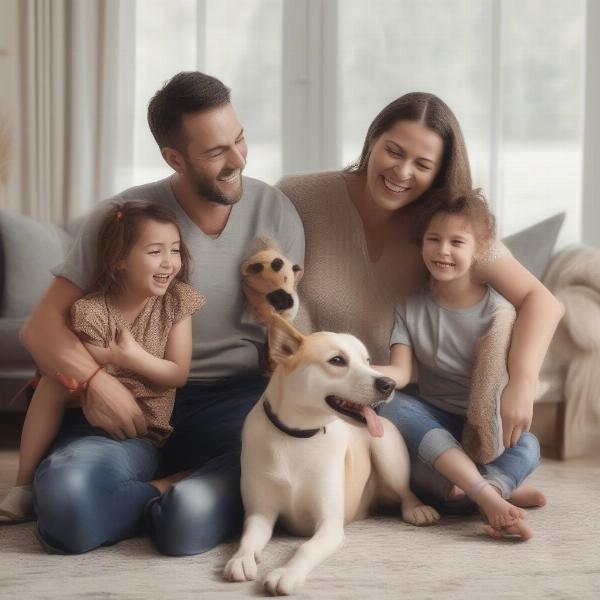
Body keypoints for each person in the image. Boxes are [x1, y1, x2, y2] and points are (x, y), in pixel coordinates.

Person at [19, 72, 305, 554]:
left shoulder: (275, 211)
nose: (238, 160)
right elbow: (40, 328)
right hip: (130, 399)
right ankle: (171, 495)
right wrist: (95, 383)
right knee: (67, 511)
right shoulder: (124, 218)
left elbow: (286, 322)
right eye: (216, 152)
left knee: (195, 516)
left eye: (239, 140)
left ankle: (168, 494)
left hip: (232, 402)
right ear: (174, 158)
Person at [277, 92, 563, 509]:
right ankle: (485, 487)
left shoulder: (443, 226)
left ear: (439, 172)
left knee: (433, 444)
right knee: (414, 455)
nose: (402, 171)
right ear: (372, 140)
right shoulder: (299, 196)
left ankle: (479, 486)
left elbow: (541, 300)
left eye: (422, 165)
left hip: (392, 401)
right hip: (321, 396)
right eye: (393, 151)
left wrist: (520, 382)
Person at [0, 201, 204, 523]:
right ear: (120, 259)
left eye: (175, 250)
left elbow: (176, 374)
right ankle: (23, 484)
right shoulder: (92, 309)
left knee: (72, 494)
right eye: (155, 252)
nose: (169, 263)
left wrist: (130, 357)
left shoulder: (177, 303)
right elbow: (83, 364)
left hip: (143, 423)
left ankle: (162, 486)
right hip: (88, 408)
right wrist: (102, 365)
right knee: (54, 382)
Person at [373, 189, 543, 540]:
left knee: (529, 445)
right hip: (434, 419)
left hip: (482, 426)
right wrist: (361, 373)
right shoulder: (409, 307)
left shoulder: (498, 312)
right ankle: (491, 492)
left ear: (480, 250)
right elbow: (401, 374)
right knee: (393, 405)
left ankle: (483, 490)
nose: (443, 251)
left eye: (457, 242)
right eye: (433, 239)